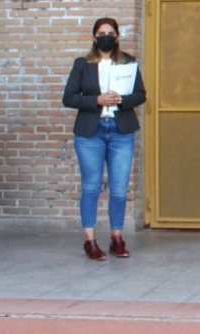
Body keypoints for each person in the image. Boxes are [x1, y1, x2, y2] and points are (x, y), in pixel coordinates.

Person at [62, 17, 146, 261]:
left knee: (119, 188)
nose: (106, 36)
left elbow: (141, 94)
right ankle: (90, 241)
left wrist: (122, 100)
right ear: (94, 37)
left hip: (121, 131)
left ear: (117, 37)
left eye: (111, 33)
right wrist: (95, 101)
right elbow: (68, 98)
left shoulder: (128, 62)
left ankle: (117, 238)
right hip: (91, 131)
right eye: (101, 32)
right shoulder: (82, 64)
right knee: (91, 187)